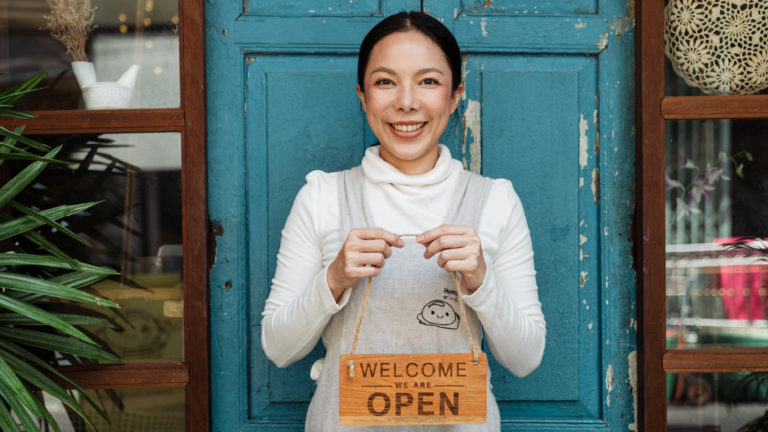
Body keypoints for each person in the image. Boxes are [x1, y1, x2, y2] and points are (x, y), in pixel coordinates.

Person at [261, 11, 546, 431]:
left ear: (455, 96)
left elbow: (526, 359)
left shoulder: (495, 201)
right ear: (362, 95)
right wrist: (334, 277)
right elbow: (278, 348)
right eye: (385, 81)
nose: (407, 101)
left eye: (428, 81)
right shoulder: (322, 197)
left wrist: (481, 280)